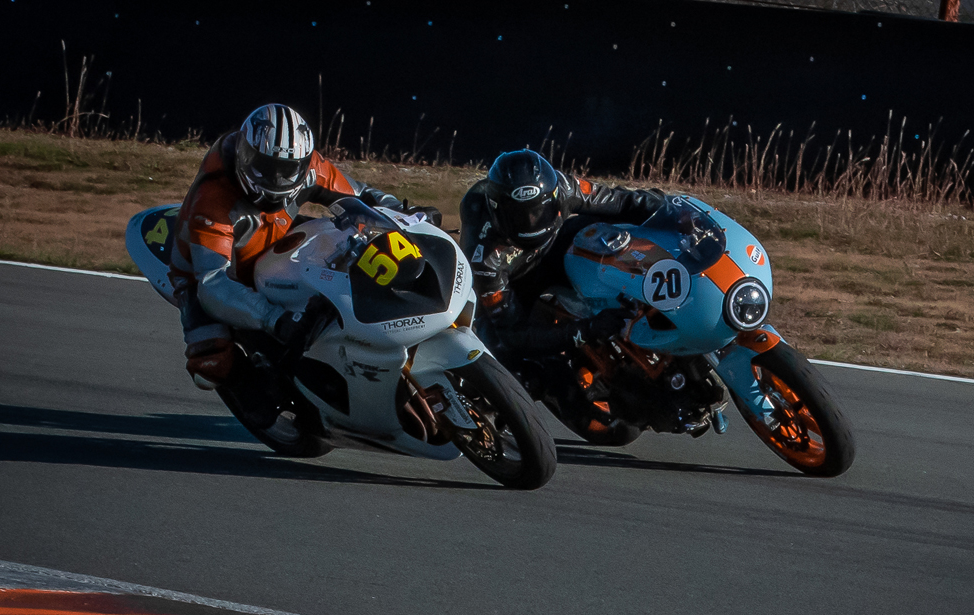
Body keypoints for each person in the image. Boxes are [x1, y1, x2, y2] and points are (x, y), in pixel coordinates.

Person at [171, 103, 428, 396]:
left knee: (352, 252)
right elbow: (212, 282)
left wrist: (402, 211)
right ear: (244, 155)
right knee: (211, 365)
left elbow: (361, 195)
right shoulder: (213, 199)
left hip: (278, 240)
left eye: (287, 170)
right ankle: (261, 399)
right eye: (265, 167)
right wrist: (273, 319)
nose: (277, 179)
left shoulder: (311, 166)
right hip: (204, 272)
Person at [459, 149, 664, 357]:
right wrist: (586, 330)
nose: (531, 222)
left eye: (539, 211)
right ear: (496, 211)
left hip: (555, 245)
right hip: (515, 281)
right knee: (497, 349)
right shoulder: (483, 257)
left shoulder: (564, 186)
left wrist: (670, 206)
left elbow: (622, 201)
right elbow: (512, 333)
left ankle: (647, 286)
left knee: (609, 224)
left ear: (554, 197)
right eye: (518, 216)